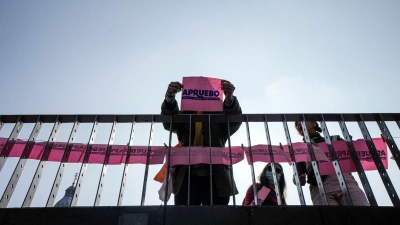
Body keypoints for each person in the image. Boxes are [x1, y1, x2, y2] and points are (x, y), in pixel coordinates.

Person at [161, 80, 242, 205]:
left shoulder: (218, 116)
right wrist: (169, 98)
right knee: (185, 218)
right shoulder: (185, 115)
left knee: (217, 218)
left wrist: (229, 100)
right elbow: (168, 123)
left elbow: (235, 122)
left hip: (216, 176)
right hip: (187, 175)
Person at [293, 121, 370, 206]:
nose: (299, 124)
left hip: (345, 181)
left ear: (313, 123)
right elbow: (298, 175)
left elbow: (355, 153)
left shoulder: (335, 140)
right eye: (296, 124)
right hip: (319, 189)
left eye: (301, 121)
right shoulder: (299, 150)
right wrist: (299, 178)